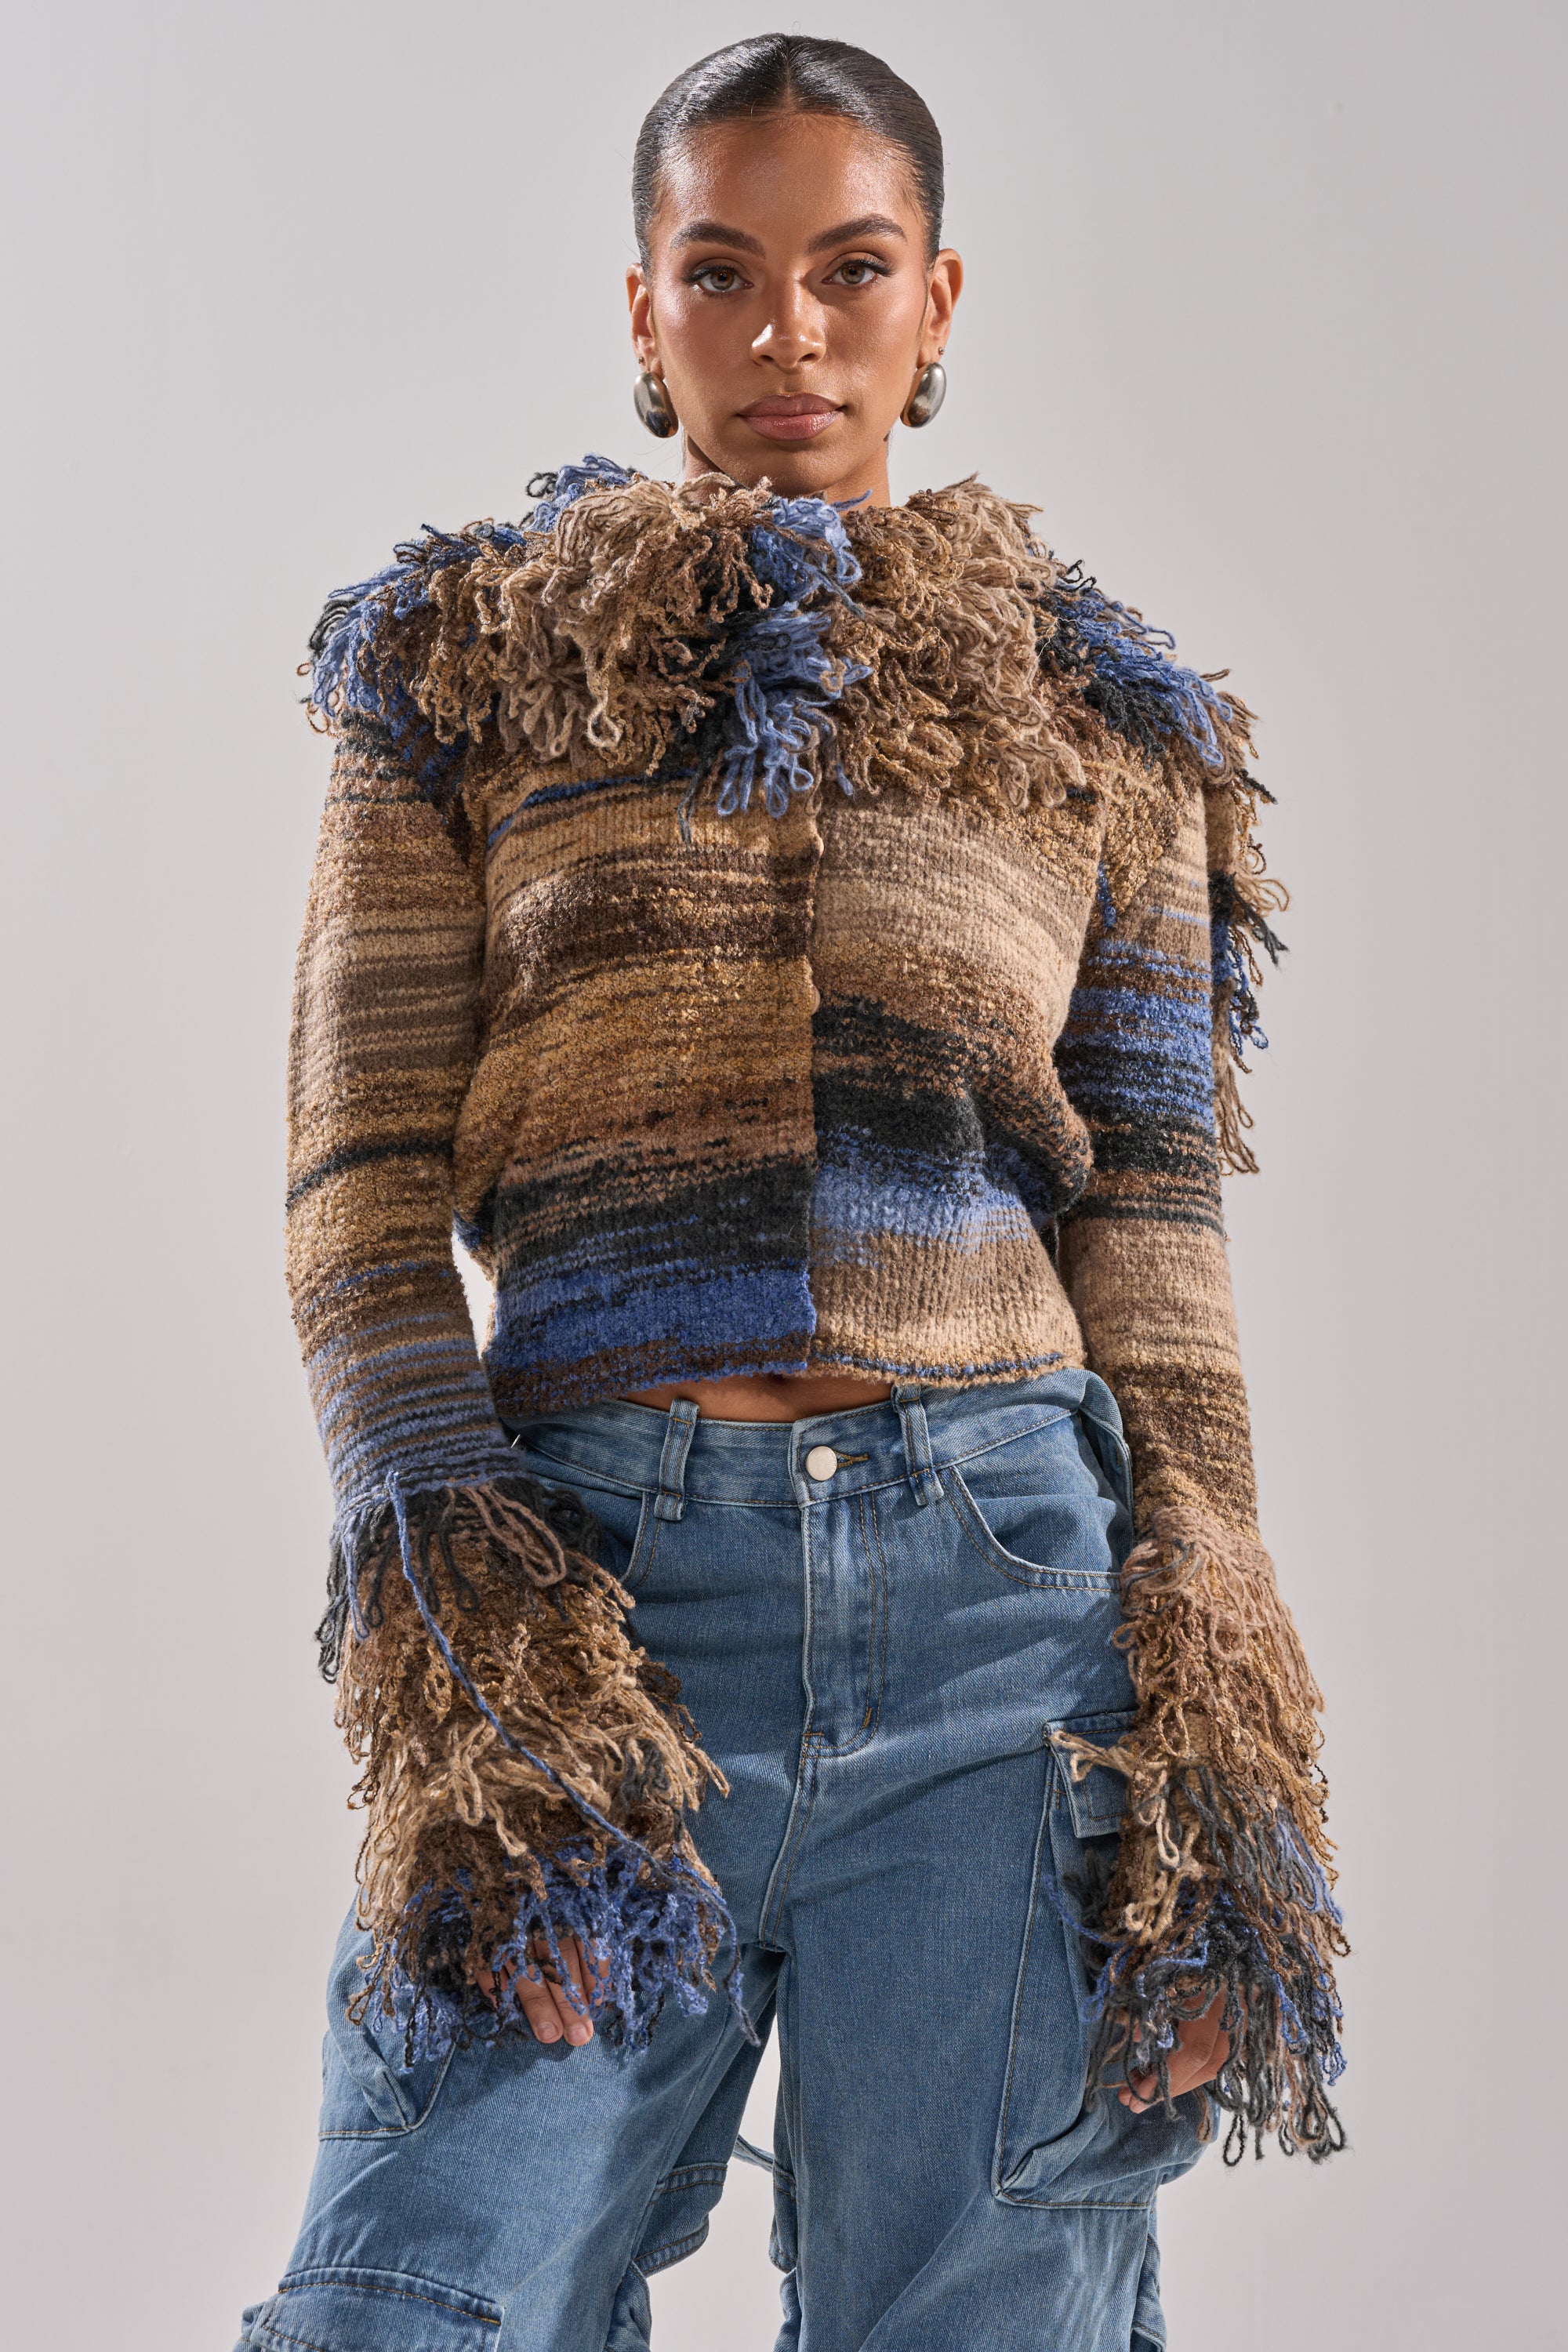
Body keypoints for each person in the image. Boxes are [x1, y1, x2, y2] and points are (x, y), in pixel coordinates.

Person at [236, 33, 1344, 2352]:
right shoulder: (457, 675)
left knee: (990, 2317)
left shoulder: (1098, 724)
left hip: (1004, 1614)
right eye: (721, 274)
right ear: (641, 312)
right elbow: (353, 1202)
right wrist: (480, 1661)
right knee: (411, 2299)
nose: (789, 336)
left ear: (941, 301)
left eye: (850, 273)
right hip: (599, 1605)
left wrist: (1224, 1761)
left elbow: (1152, 1235)